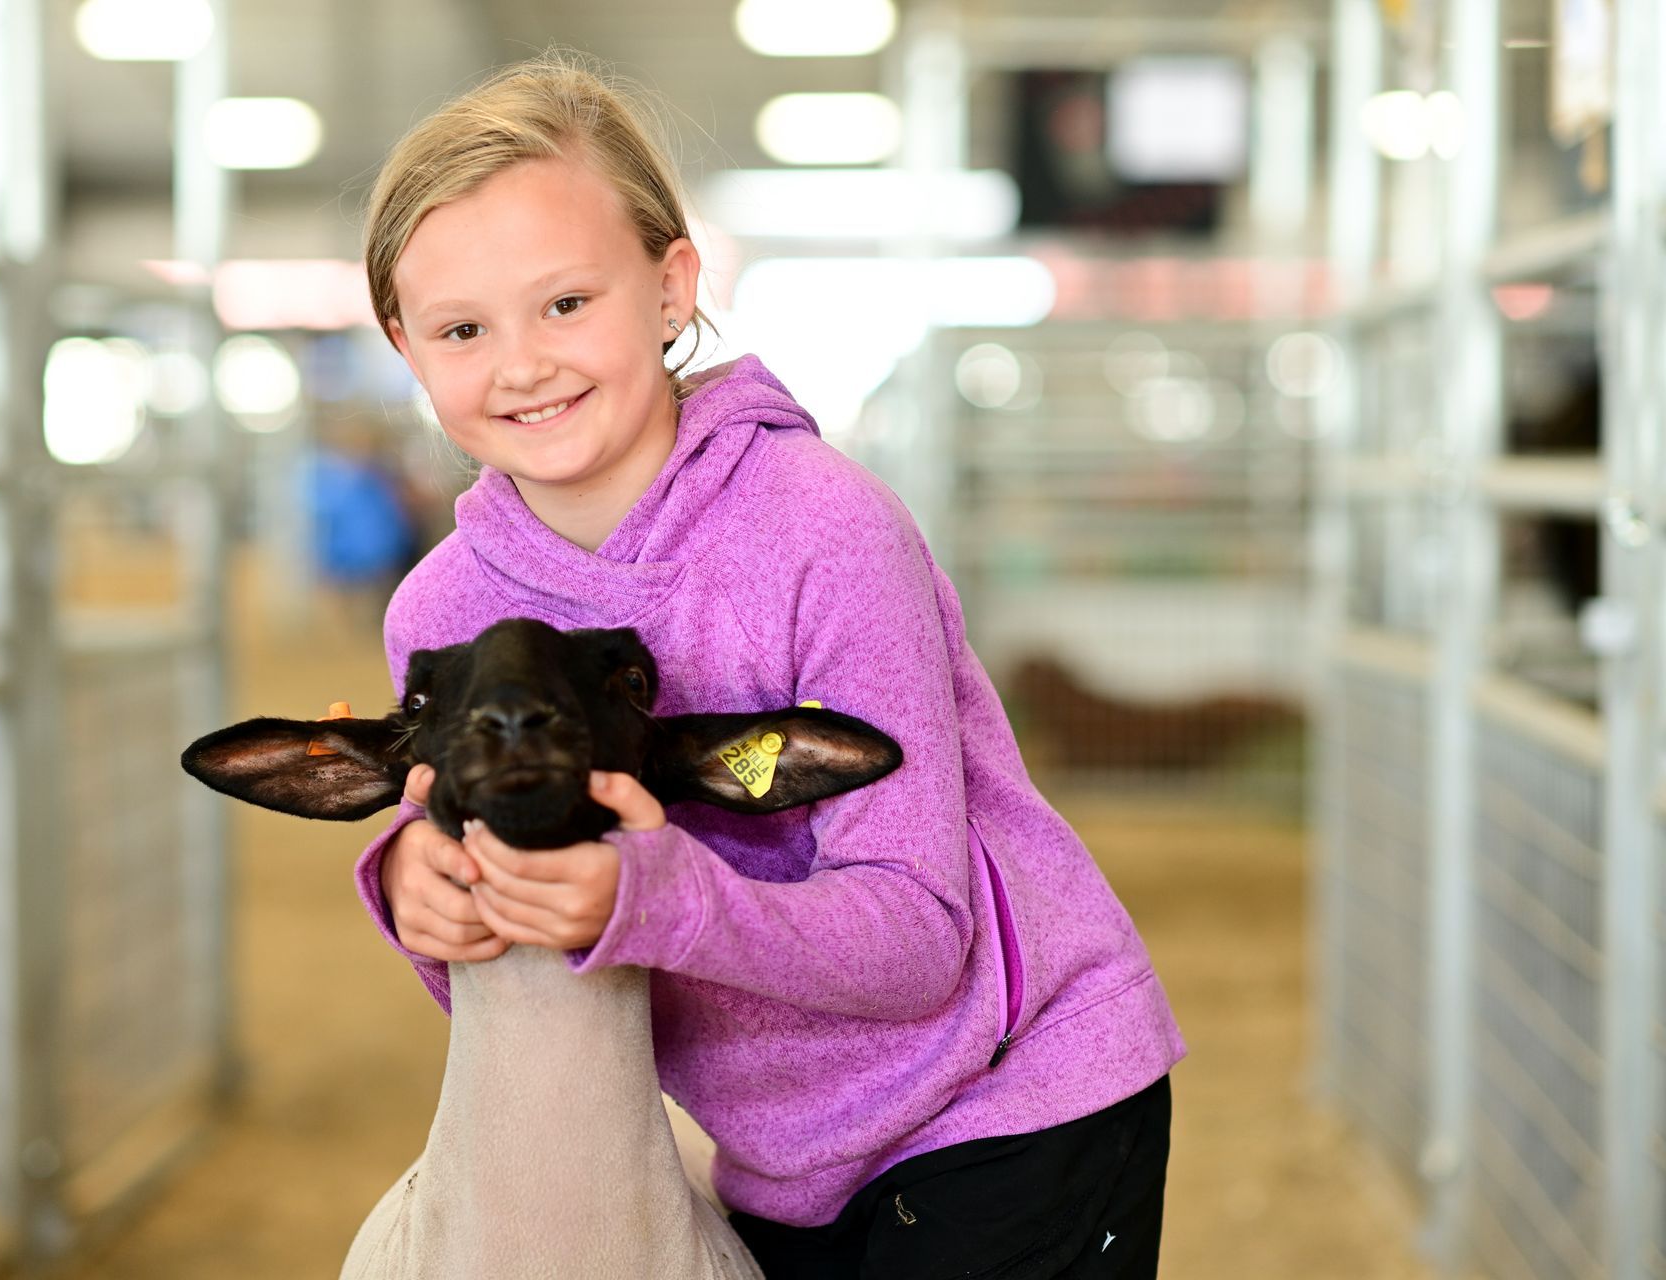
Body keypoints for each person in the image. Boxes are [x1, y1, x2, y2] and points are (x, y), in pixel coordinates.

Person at [352, 52, 1185, 1279]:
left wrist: (650, 894)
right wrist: (422, 889)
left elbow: (919, 938)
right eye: (463, 328)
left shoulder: (823, 532)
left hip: (1005, 1105)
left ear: (672, 284)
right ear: (405, 346)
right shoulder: (445, 612)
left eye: (567, 303)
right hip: (777, 1150)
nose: (522, 362)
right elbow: (540, 948)